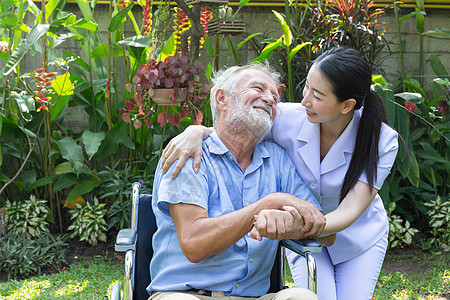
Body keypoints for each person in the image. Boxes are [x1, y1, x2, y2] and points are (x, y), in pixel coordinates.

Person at [160, 47, 399, 300]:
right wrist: (196, 131)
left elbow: (348, 213)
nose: (304, 100)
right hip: (302, 225)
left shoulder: (381, 140)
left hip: (352, 231)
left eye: (317, 95)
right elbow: (234, 124)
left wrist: (291, 218)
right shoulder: (286, 118)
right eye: (306, 87)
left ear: (347, 105)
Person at [148, 62, 333, 300]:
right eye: (258, 88)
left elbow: (325, 232)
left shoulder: (277, 159)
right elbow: (194, 244)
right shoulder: (188, 154)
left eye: (275, 98)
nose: (269, 99)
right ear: (222, 99)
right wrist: (271, 203)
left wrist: (285, 219)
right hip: (187, 294)